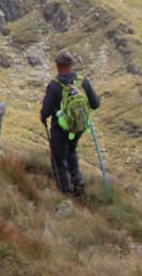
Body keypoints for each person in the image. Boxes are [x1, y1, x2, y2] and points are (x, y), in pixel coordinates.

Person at [39, 52, 98, 196]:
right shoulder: (82, 82)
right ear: (71, 65)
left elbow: (46, 110)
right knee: (71, 151)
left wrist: (43, 117)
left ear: (58, 66)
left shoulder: (55, 85)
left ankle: (64, 192)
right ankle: (78, 181)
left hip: (60, 129)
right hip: (78, 128)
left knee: (58, 159)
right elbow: (95, 104)